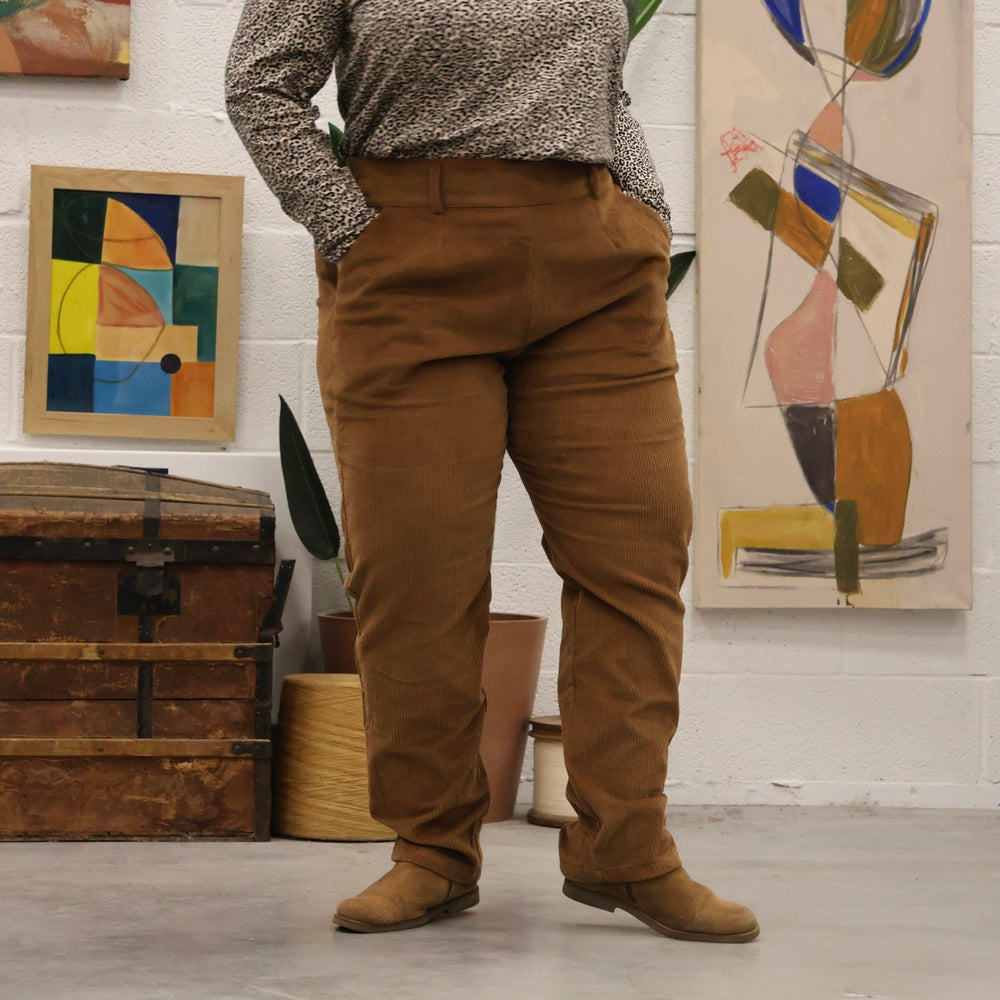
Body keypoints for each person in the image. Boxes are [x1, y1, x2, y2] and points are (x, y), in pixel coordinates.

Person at [226, 0, 758, 942]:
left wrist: (642, 204)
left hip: (596, 270)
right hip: (408, 262)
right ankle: (432, 851)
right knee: (417, 576)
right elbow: (260, 84)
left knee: (636, 557)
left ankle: (626, 849)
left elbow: (601, 86)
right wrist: (351, 228)